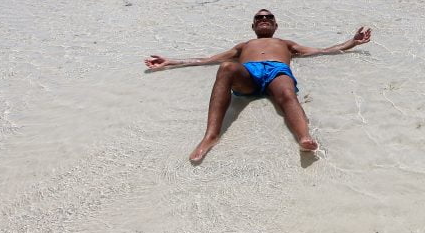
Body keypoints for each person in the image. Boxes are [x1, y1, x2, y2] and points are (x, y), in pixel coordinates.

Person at [144, 10, 372, 162]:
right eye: (260, 17)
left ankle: (304, 138)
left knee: (286, 92)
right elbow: (207, 60)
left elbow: (322, 51)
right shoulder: (244, 45)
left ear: (275, 24)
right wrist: (171, 61)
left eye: (269, 17)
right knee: (225, 67)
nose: (264, 19)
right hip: (249, 74)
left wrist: (352, 43)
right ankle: (210, 136)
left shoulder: (285, 43)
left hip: (276, 70)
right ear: (253, 25)